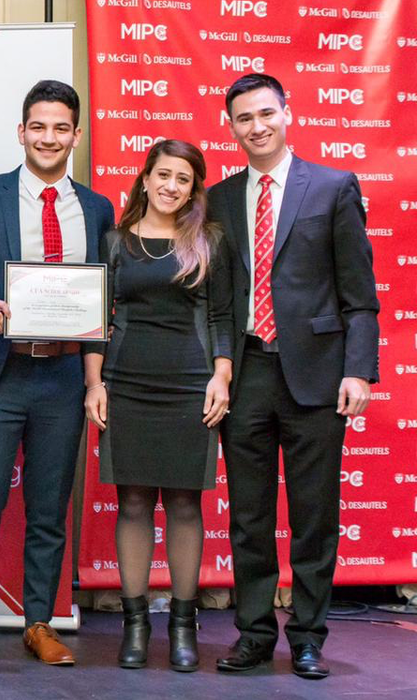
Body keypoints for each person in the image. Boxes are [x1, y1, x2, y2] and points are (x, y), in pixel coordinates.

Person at [208, 73, 378, 680]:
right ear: (230, 127)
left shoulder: (333, 187)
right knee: (248, 516)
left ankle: (307, 636)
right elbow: (221, 300)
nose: (256, 127)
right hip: (248, 371)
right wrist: (220, 368)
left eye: (265, 114)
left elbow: (360, 295)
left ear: (287, 113)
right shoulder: (221, 198)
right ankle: (254, 634)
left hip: (317, 376)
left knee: (313, 515)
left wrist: (359, 370)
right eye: (243, 119)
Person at [0, 80, 114, 671]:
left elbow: (101, 308)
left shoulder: (97, 209)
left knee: (48, 510)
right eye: (37, 126)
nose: (48, 137)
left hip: (63, 378)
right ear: (22, 132)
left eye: (60, 127)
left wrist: (95, 382)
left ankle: (40, 622)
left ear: (75, 134)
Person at [82, 139, 232, 672]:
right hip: (126, 383)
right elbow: (96, 321)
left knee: (187, 505)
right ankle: (137, 625)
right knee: (134, 504)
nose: (171, 186)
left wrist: (221, 375)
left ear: (194, 189)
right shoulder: (116, 242)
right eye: (163, 175)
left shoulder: (208, 240)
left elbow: (220, 318)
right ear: (145, 178)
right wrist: (94, 384)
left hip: (190, 384)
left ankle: (184, 627)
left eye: (183, 179)